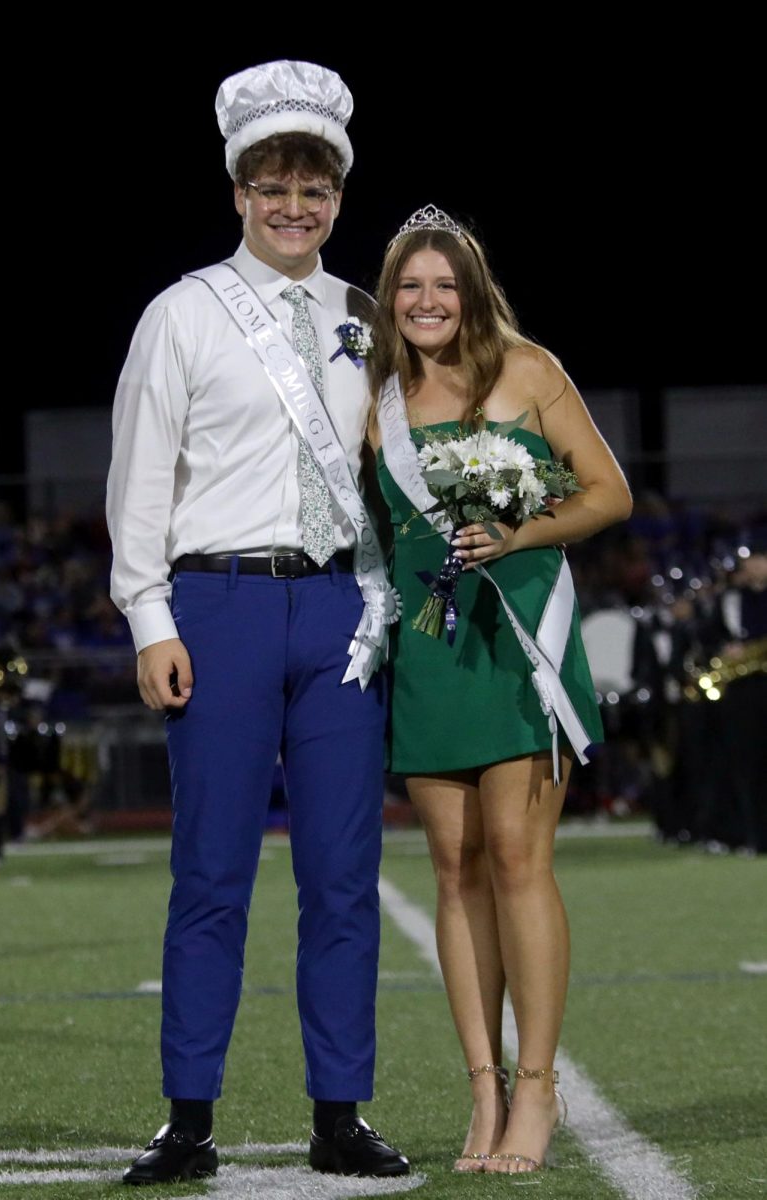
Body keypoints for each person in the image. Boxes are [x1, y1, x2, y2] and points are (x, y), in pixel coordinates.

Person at [106, 61, 408, 1185]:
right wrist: (149, 617)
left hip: (340, 609)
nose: (295, 205)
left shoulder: (367, 317)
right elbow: (140, 480)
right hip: (217, 606)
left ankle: (340, 1112)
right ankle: (190, 1118)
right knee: (211, 875)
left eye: (315, 186)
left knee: (341, 875)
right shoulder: (180, 314)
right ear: (238, 190)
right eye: (273, 183)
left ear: (337, 194)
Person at [367, 207, 633, 1174]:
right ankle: (481, 1088)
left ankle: (539, 1090)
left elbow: (607, 493)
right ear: (390, 299)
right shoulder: (376, 397)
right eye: (410, 286)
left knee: (519, 858)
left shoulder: (528, 369)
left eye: (445, 284)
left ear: (471, 292)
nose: (428, 301)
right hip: (433, 650)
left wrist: (519, 534)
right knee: (454, 868)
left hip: (521, 636)